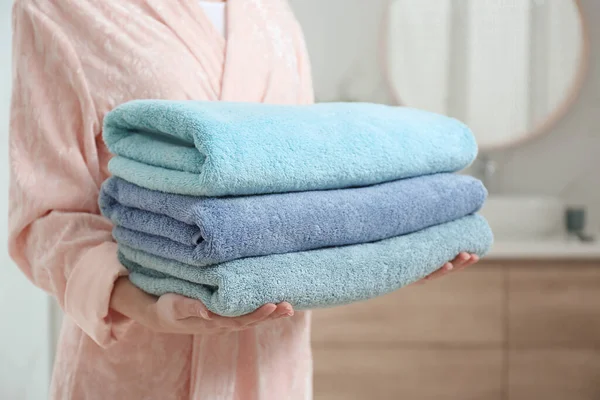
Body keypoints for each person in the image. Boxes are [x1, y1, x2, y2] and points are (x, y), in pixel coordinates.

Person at [8, 0, 480, 398]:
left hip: (274, 369)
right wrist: (140, 300)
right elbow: (43, 217)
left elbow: (312, 194)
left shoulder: (269, 12)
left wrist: (394, 251)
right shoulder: (62, 9)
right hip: (140, 369)